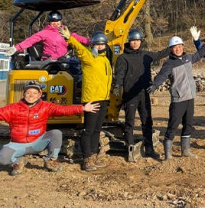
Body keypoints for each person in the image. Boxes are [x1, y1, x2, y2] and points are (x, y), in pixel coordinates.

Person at [0, 81, 99, 176]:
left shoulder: (45, 107)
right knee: (2, 158)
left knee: (56, 133)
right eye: (28, 92)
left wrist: (82, 108)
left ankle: (50, 160)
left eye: (35, 93)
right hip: (18, 144)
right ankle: (18, 162)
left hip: (37, 142)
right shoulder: (13, 108)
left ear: (39, 95)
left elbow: (62, 110)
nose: (31, 95)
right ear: (24, 94)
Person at [147, 32, 205, 160]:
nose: (178, 49)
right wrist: (154, 85)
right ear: (171, 49)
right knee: (173, 125)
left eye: (180, 46)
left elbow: (199, 54)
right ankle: (168, 154)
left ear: (183, 47)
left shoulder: (188, 58)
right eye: (175, 47)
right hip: (178, 99)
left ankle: (185, 150)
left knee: (188, 124)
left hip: (189, 97)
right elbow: (162, 76)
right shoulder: (169, 64)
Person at [59, 27, 112, 172]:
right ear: (92, 45)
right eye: (97, 44)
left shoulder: (105, 60)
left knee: (96, 130)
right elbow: (79, 49)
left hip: (103, 99)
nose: (100, 47)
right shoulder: (89, 57)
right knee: (88, 130)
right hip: (92, 100)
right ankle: (86, 159)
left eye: (102, 44)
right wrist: (70, 38)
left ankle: (93, 156)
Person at [114, 28, 169, 162]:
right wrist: (117, 85)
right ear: (129, 41)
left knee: (147, 122)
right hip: (130, 95)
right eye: (133, 41)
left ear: (140, 42)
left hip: (144, 94)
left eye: (138, 41)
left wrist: (172, 47)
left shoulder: (145, 55)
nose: (135, 43)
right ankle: (130, 148)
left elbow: (159, 54)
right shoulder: (123, 58)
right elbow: (120, 74)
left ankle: (149, 149)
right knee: (130, 123)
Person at [6, 11, 90, 60]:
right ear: (49, 22)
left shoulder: (65, 32)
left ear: (60, 22)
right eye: (53, 21)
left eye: (58, 21)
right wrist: (16, 48)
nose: (56, 24)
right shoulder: (44, 33)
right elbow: (30, 41)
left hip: (64, 59)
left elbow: (80, 39)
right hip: (49, 60)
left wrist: (93, 42)